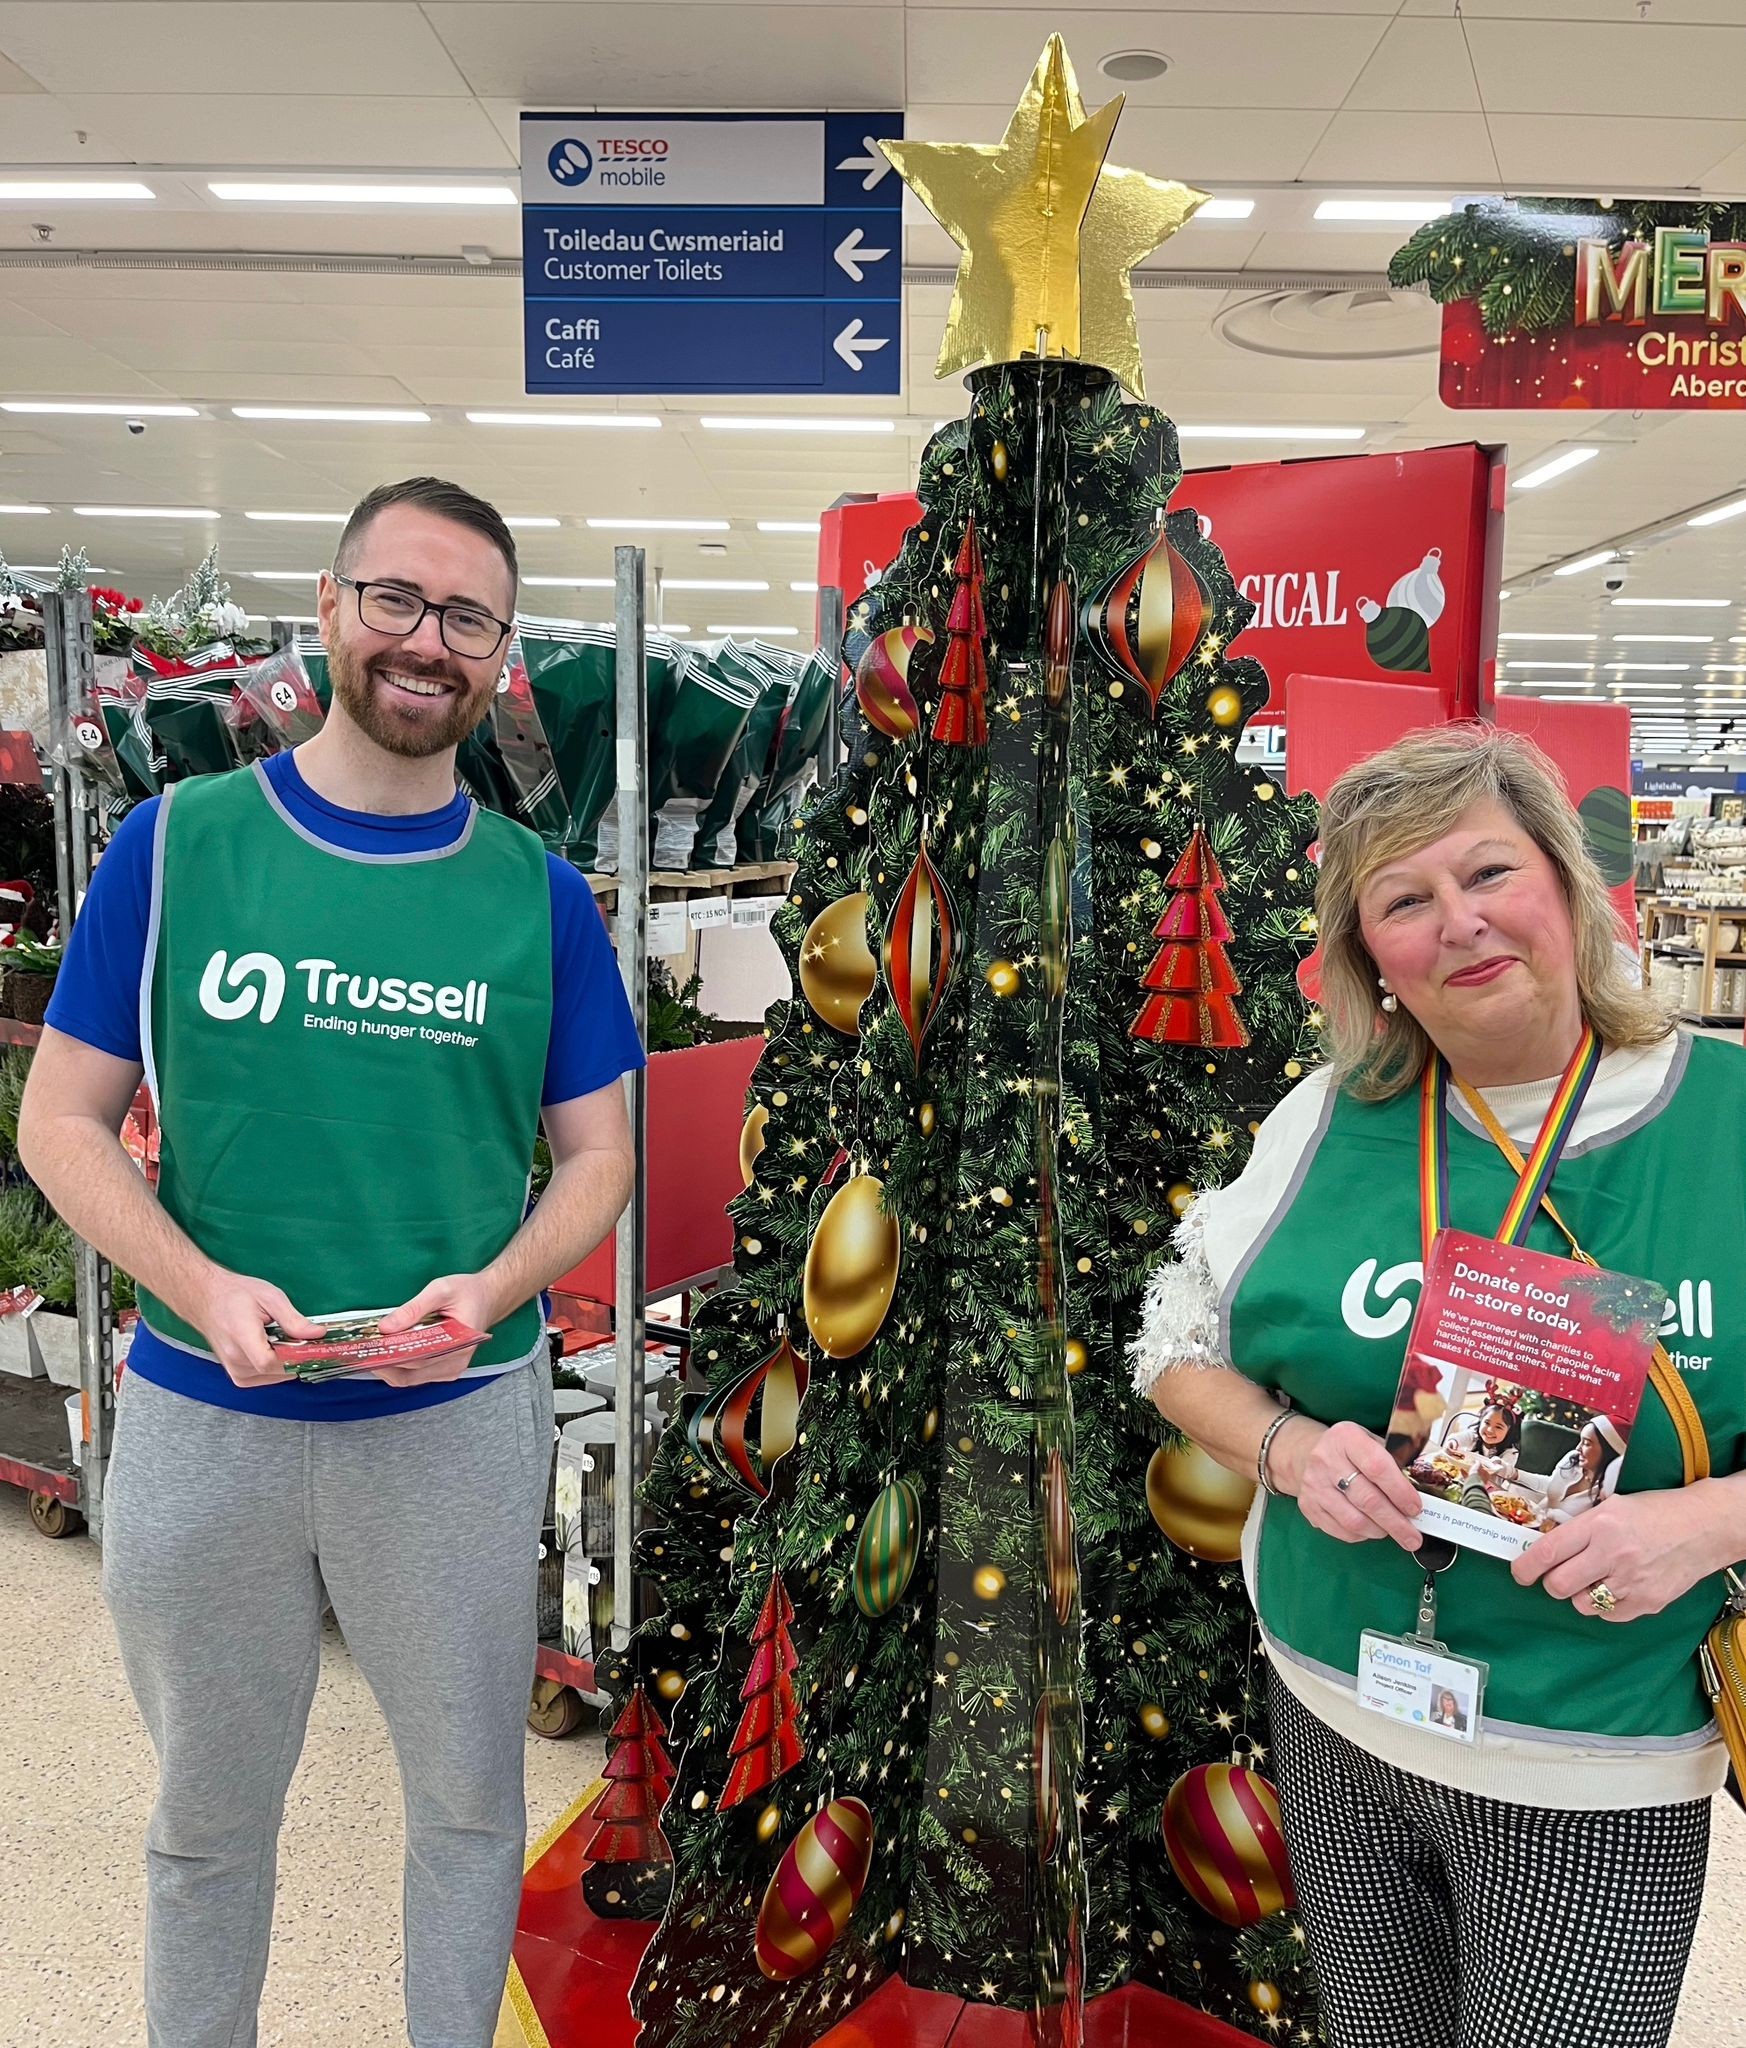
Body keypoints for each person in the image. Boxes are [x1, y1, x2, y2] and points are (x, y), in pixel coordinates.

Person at [19, 477, 643, 2048]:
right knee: (204, 1827)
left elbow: (601, 1157)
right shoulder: (177, 850)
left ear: (499, 652)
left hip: (450, 1430)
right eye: (398, 601)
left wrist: (494, 1293)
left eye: (468, 617)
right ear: (330, 608)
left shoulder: (540, 902)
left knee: (464, 1814)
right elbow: (64, 1123)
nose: (427, 643)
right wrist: (197, 1283)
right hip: (202, 1418)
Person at [1129, 723, 1746, 2048]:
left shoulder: (1725, 1119)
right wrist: (1287, 1450)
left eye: (1486, 874)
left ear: (1566, 886)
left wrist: (1702, 1524)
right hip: (1341, 1709)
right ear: (1367, 957)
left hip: (1591, 1756)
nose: (1456, 924)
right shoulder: (1328, 1117)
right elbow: (1170, 1346)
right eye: (1402, 900)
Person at [1525, 1415, 1627, 1528]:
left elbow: (1595, 1530)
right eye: (1580, 1441)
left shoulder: (1610, 1490)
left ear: (1609, 1450)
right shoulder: (1573, 1459)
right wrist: (1514, 1474)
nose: (1578, 1448)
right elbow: (1550, 1483)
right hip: (1529, 1523)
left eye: (1587, 1443)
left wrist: (1557, 1516)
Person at [1441, 1401, 1522, 1485]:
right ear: (1480, 1421)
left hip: (1486, 1488)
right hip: (1459, 1480)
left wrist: (1498, 1464)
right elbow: (1459, 1438)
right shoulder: (1474, 1436)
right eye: (1487, 1423)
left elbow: (1508, 1470)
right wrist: (1452, 1442)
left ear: (1509, 1431)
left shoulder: (1511, 1452)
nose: (1490, 1430)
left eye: (1498, 1427)